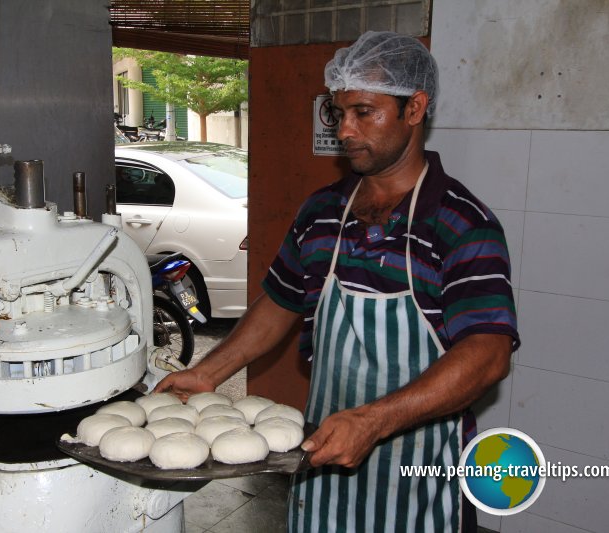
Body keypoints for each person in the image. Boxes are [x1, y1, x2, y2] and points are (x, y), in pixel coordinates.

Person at [155, 30, 519, 532]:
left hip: (417, 472)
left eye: (364, 112)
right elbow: (280, 302)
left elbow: (487, 354)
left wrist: (373, 421)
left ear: (414, 109)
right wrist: (208, 372)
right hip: (323, 458)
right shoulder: (322, 211)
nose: (344, 131)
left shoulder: (460, 223)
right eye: (338, 112)